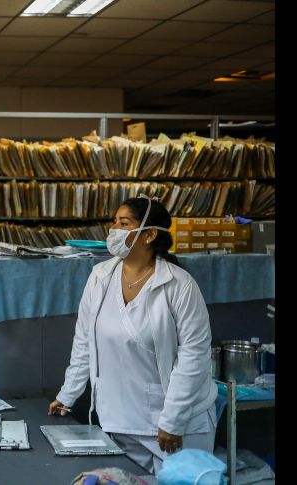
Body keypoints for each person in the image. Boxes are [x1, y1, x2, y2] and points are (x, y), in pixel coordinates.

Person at [48, 194, 217, 475]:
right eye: (114, 222)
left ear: (149, 234)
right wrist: (69, 393)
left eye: (123, 223)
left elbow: (194, 357)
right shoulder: (100, 277)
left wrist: (173, 421)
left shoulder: (179, 285)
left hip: (176, 424)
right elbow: (84, 341)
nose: (113, 230)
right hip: (119, 418)